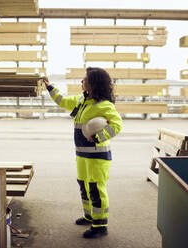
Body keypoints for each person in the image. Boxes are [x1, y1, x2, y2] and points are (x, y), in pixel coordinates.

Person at [42, 67, 122, 239]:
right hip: (82, 154)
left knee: (96, 188)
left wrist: (99, 136)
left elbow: (117, 125)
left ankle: (100, 225)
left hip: (98, 156)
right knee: (84, 185)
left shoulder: (104, 105)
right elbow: (62, 101)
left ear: (93, 83)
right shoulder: (83, 101)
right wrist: (50, 87)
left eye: (84, 79)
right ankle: (89, 216)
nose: (81, 81)